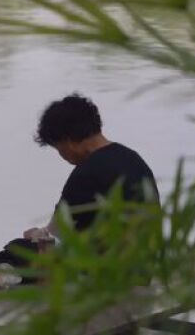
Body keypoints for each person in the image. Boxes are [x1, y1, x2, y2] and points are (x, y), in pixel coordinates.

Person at [23, 93, 160, 243]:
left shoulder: (86, 174)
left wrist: (34, 234)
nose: (62, 156)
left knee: (16, 251)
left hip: (107, 262)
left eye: (58, 148)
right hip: (147, 258)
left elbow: (55, 234)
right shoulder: (134, 160)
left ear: (67, 141)